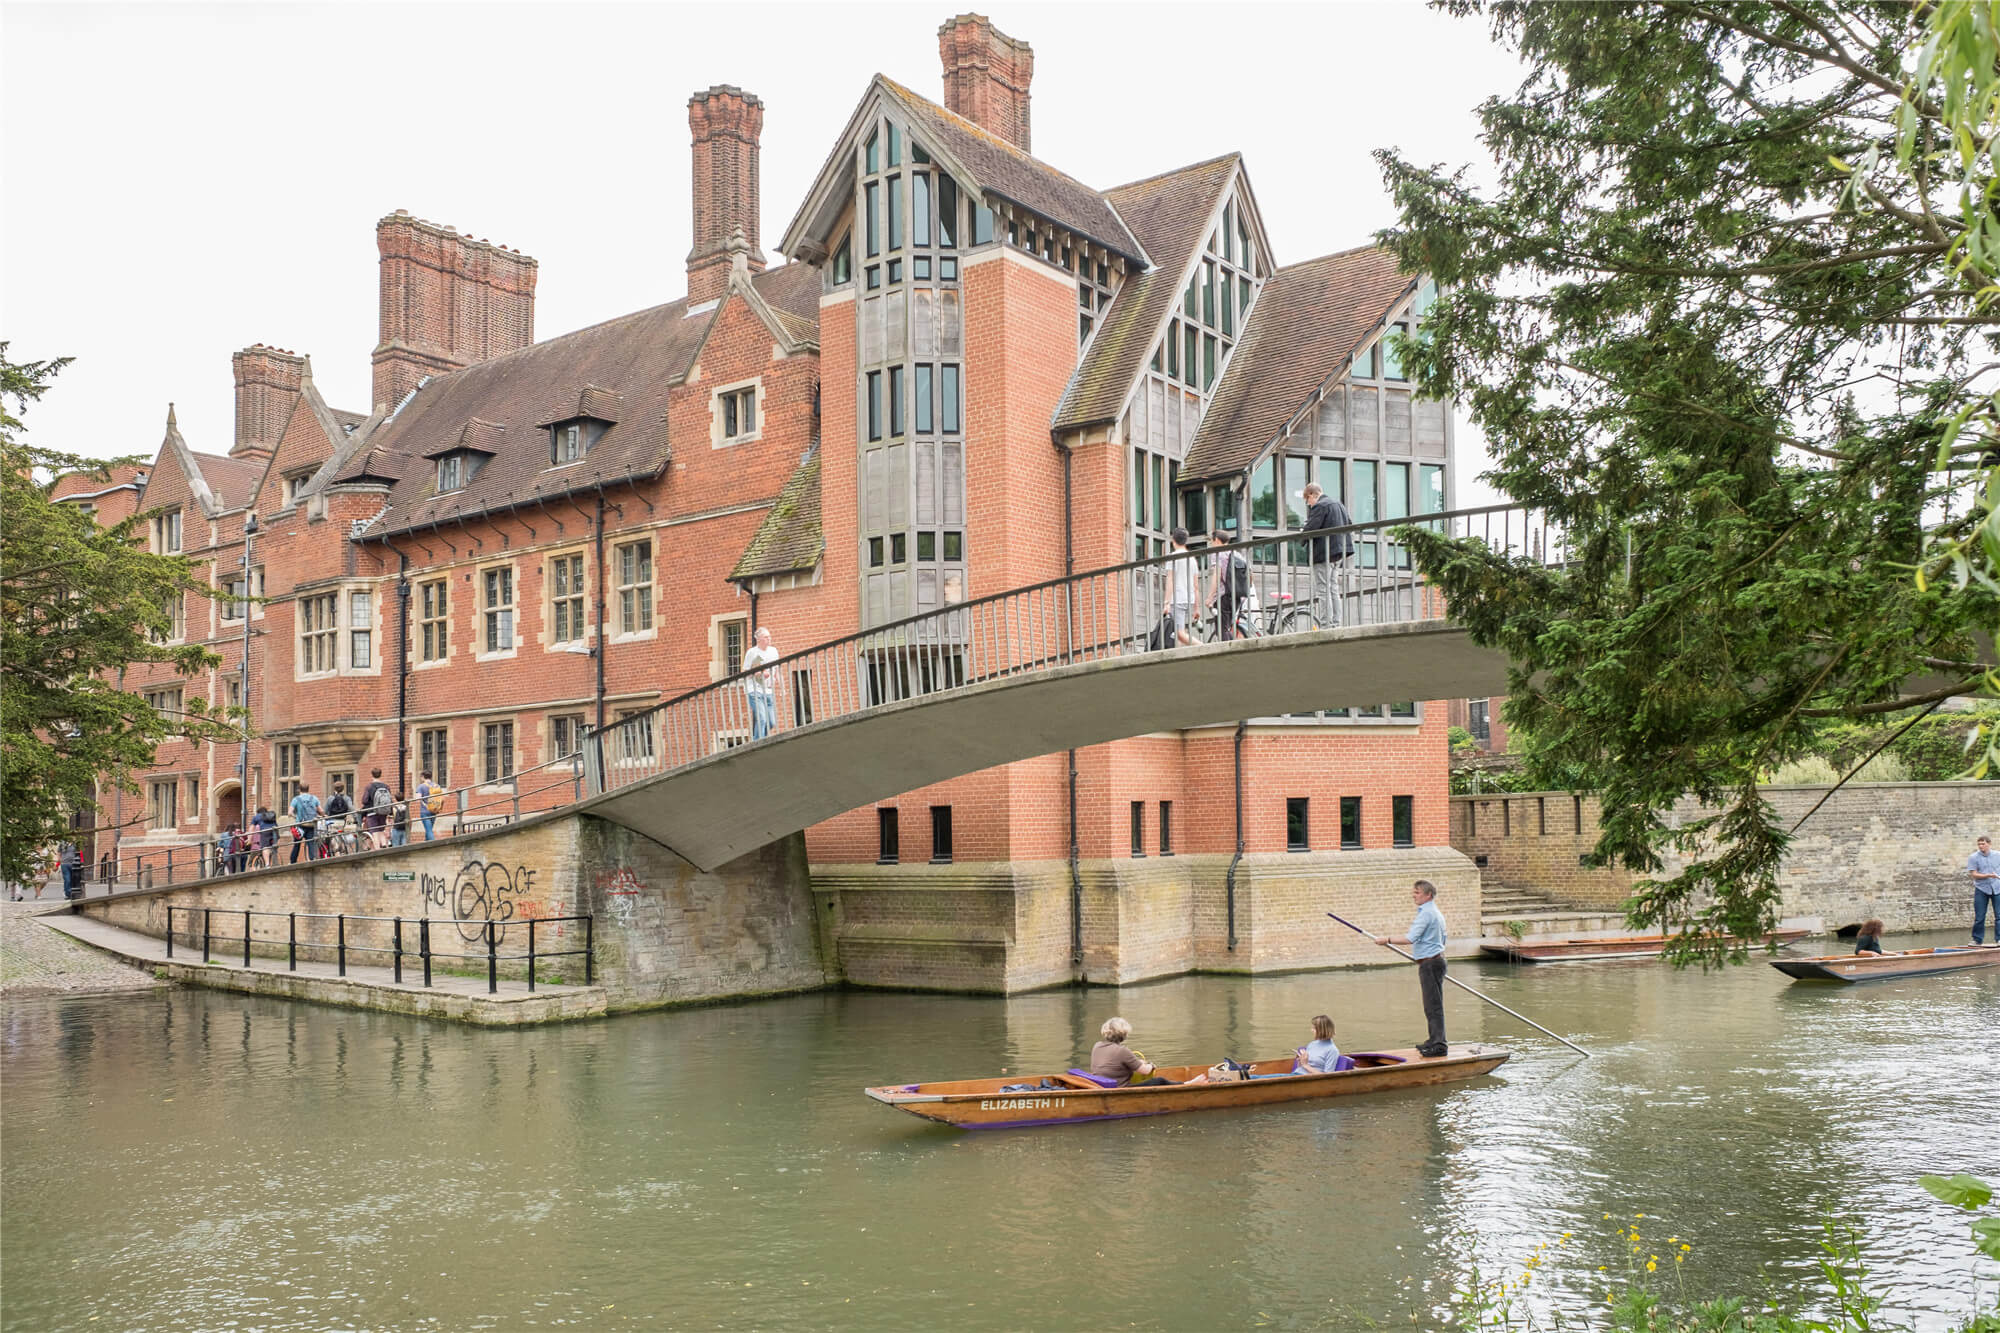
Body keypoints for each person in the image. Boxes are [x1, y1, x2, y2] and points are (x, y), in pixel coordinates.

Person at [1377, 879, 1450, 1058]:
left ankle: (1439, 1045)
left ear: (1428, 895)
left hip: (1430, 964)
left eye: (1417, 892)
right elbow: (1443, 937)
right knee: (1431, 1005)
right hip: (1435, 962)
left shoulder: (1427, 914)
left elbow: (1411, 937)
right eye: (1414, 892)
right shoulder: (1434, 912)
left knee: (1433, 1006)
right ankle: (1433, 1040)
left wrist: (1386, 939)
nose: (1414, 895)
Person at [1299, 482, 1354, 629]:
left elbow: (1311, 528)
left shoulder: (1320, 505)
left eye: (1307, 500)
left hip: (1324, 553)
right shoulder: (1339, 504)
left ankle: (1325, 624)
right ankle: (1336, 623)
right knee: (1333, 588)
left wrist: (1302, 536)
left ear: (1312, 495)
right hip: (1339, 552)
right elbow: (1349, 523)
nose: (1308, 504)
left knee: (1323, 589)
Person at [1091, 1017, 1173, 1087]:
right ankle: (1183, 1084)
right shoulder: (1122, 1050)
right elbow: (1145, 1071)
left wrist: (1137, 1063)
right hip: (1119, 1088)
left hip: (1099, 1086)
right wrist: (1151, 1065)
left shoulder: (1097, 1046)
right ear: (1124, 1034)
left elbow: (1113, 1064)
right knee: (1159, 1081)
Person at [1208, 528, 1250, 641]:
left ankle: (1229, 655)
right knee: (1226, 627)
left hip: (1223, 596)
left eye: (1212, 541)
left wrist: (1210, 598)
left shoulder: (1217, 554)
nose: (1211, 544)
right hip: (1236, 596)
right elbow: (1249, 574)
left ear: (1216, 540)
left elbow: (1216, 577)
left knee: (1221, 631)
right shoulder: (1237, 554)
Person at [743, 626, 780, 741]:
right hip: (754, 690)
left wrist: (779, 681)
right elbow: (745, 672)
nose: (769, 638)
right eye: (766, 637)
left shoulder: (773, 651)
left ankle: (759, 740)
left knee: (771, 722)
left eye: (769, 636)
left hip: (768, 690)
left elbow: (776, 669)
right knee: (762, 719)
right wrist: (760, 674)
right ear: (758, 639)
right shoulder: (752, 652)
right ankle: (758, 743)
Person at [1165, 528, 1200, 647]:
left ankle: (1203, 647)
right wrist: (1197, 608)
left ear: (1173, 540)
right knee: (1181, 633)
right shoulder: (1192, 559)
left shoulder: (1173, 557)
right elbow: (1196, 586)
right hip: (1189, 599)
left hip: (1178, 599)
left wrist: (1166, 602)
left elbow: (1170, 580)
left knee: (1179, 633)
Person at [1970, 836, 1999, 945]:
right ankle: (1977, 940)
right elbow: (1973, 874)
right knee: (1979, 916)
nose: (1981, 846)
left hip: (1997, 888)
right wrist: (1986, 875)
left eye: (1983, 844)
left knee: (1999, 916)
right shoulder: (1973, 857)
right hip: (1981, 889)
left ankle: (1999, 939)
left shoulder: (1998, 855)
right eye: (1979, 844)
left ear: (1989, 844)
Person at [288, 781, 322, 863]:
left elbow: (289, 813)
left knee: (297, 844)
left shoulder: (296, 799)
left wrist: (295, 816)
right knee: (311, 843)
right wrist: (323, 815)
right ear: (308, 789)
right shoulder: (314, 798)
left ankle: (293, 862)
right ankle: (312, 860)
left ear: (299, 789)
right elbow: (321, 810)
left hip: (300, 825)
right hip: (311, 825)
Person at [361, 768, 393, 849]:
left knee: (375, 833)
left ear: (372, 775)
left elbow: (364, 800)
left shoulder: (369, 786)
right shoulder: (386, 786)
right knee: (381, 831)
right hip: (383, 811)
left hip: (372, 812)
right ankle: (384, 847)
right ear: (380, 774)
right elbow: (390, 800)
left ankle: (378, 851)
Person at [323, 782, 353, 857]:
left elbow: (325, 811)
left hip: (332, 822)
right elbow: (351, 809)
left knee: (334, 840)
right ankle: (344, 853)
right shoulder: (347, 798)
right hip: (343, 822)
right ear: (343, 788)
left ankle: (337, 856)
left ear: (334, 789)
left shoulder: (330, 798)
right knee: (342, 837)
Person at [416, 771, 441, 842]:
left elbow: (418, 798)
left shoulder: (421, 786)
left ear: (423, 777)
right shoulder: (437, 785)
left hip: (425, 810)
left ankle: (433, 844)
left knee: (428, 829)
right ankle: (426, 842)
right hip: (434, 809)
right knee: (429, 828)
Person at [250, 805, 276, 869]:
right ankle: (275, 857)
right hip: (275, 830)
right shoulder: (270, 815)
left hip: (265, 832)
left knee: (265, 847)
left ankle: (267, 865)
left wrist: (249, 839)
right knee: (273, 846)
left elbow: (251, 829)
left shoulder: (256, 817)